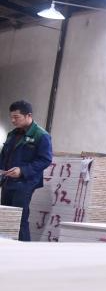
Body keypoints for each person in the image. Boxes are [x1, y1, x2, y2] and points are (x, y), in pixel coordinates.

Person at [1, 101, 54, 241]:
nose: (13, 120)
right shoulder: (12, 134)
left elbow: (45, 159)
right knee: (5, 217)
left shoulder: (41, 135)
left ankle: (24, 248)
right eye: (11, 117)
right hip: (7, 182)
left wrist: (23, 171)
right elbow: (4, 156)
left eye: (16, 117)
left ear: (28, 115)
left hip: (25, 183)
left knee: (19, 219)